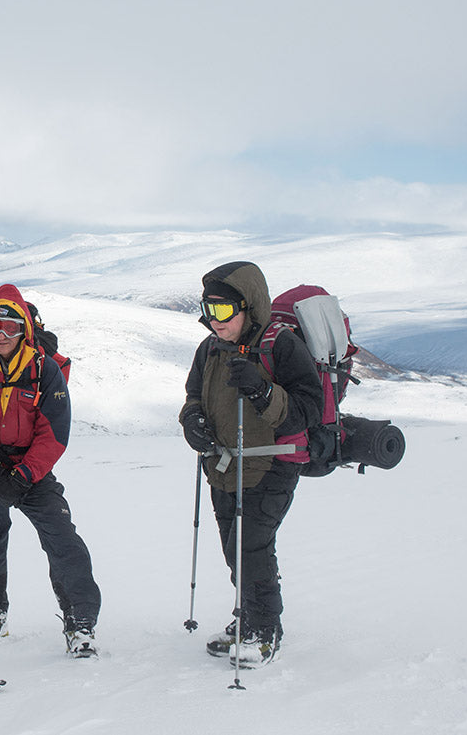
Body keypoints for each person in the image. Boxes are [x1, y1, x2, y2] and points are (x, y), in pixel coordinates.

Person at [0, 284, 101, 657]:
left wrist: (23, 476)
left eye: (10, 328)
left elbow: (54, 432)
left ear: (24, 332)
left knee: (62, 540)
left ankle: (80, 624)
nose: (0, 335)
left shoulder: (44, 370)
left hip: (31, 473)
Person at [178, 261, 322, 667]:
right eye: (207, 310)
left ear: (248, 307)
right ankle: (249, 619)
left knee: (251, 545)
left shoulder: (280, 345)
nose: (213, 321)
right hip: (224, 463)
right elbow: (193, 397)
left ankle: (263, 631)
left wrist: (262, 392)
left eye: (223, 311)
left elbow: (308, 409)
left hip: (273, 462)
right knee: (233, 546)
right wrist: (193, 422)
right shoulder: (209, 348)